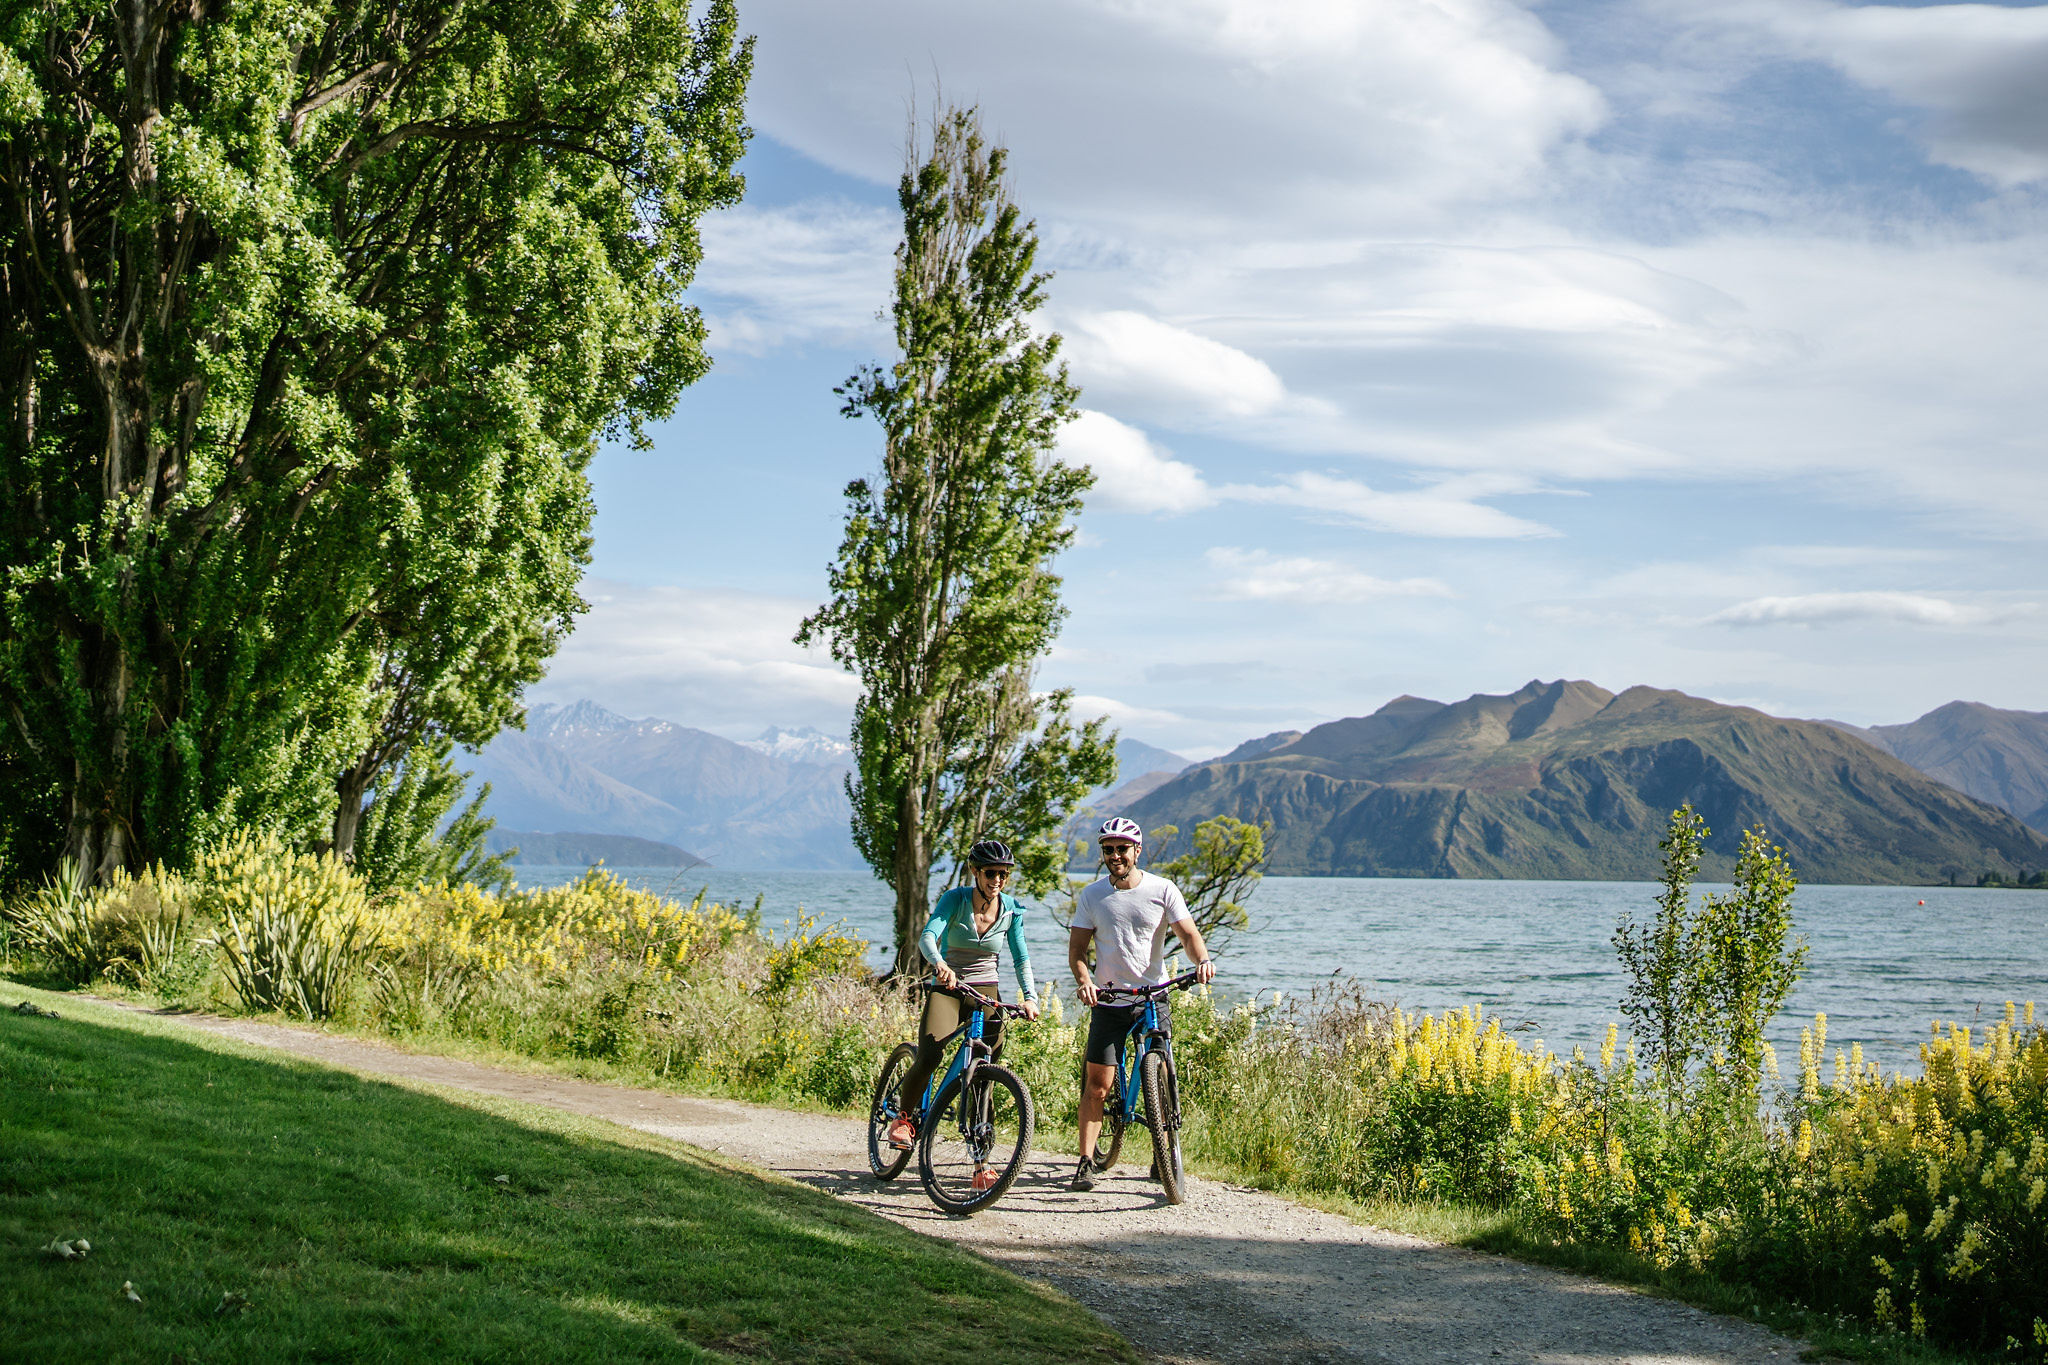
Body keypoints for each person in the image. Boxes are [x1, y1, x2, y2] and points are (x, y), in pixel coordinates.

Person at [1066, 816, 1214, 1192]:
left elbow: (1188, 933)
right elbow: (1078, 950)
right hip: (1110, 1000)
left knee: (1161, 1072)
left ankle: (1163, 1153)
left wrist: (1202, 962)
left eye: (1122, 849)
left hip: (1153, 996)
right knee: (1098, 1086)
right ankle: (1085, 1161)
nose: (1115, 855)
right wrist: (1085, 981)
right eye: (1108, 849)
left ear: (1137, 850)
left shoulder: (1163, 889)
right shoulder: (1092, 896)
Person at [888, 837, 1042, 1190]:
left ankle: (981, 1164)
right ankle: (904, 1118)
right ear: (975, 871)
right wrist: (940, 964)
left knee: (984, 1077)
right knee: (930, 1053)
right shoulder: (954, 900)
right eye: (991, 873)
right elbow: (929, 937)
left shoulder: (1012, 910)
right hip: (950, 987)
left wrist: (1030, 997)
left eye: (1004, 874)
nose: (998, 880)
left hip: (986, 991)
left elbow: (1020, 958)